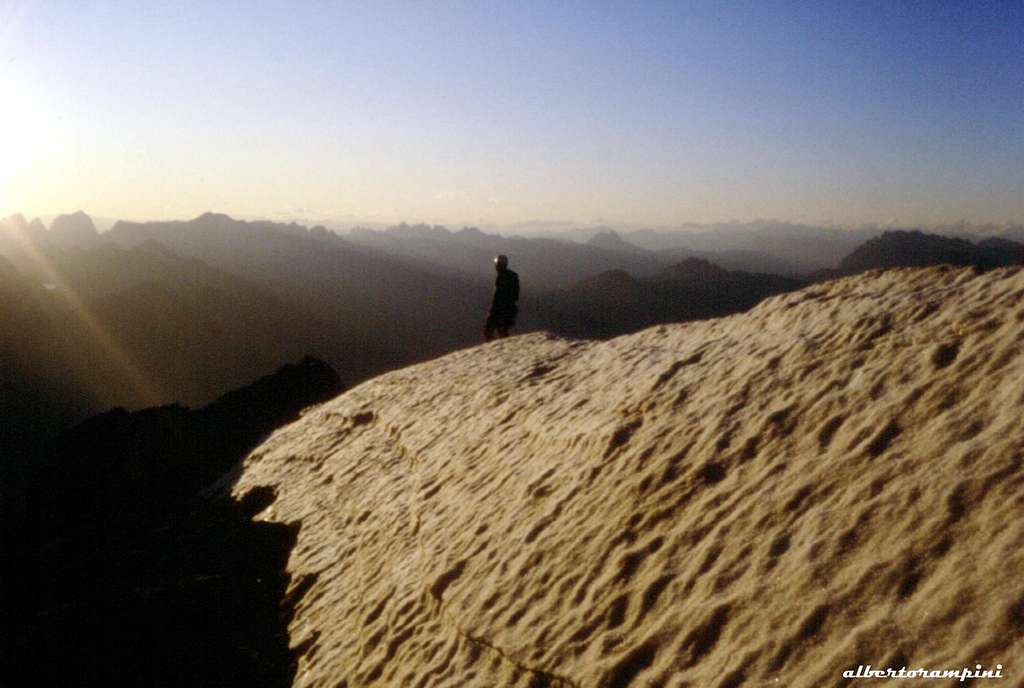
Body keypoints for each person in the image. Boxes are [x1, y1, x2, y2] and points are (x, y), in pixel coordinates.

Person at [485, 254, 519, 341]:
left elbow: (497, 295)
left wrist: (493, 310)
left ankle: (492, 349)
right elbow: (516, 296)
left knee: (489, 330)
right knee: (502, 331)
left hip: (499, 309)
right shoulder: (513, 276)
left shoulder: (501, 277)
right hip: (510, 309)